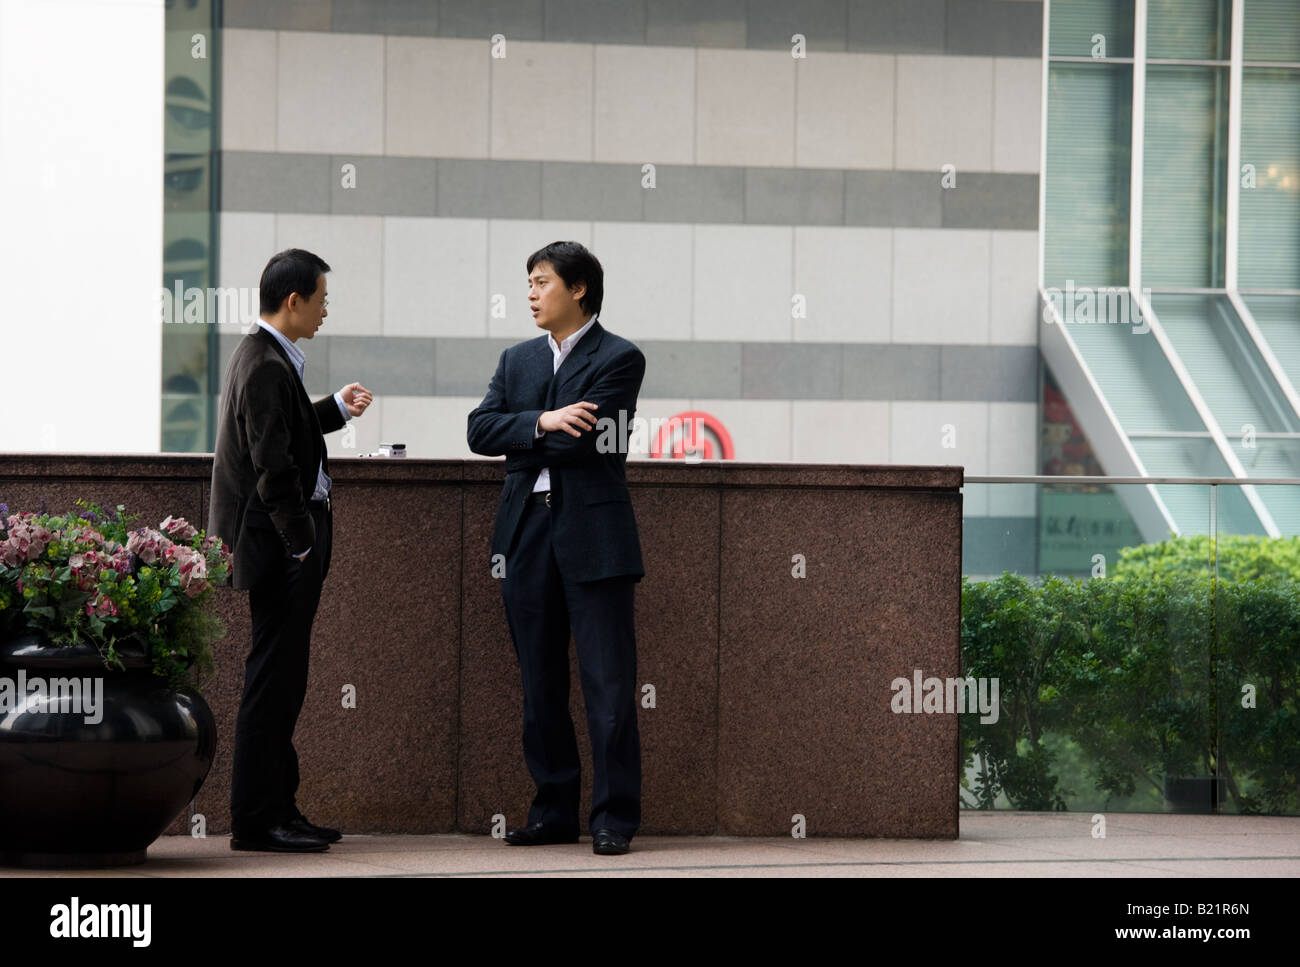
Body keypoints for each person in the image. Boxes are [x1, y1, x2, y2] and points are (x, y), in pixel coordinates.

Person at [467, 241, 646, 855]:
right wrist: (542, 422)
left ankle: (613, 818)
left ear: (579, 290)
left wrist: (519, 436)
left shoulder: (619, 357)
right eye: (528, 283)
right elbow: (477, 430)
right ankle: (552, 812)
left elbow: (591, 443)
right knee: (539, 684)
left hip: (594, 534)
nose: (531, 294)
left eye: (542, 282)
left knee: (608, 683)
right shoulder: (516, 358)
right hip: (524, 535)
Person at [209, 248, 373, 853]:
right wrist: (302, 544)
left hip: (280, 546)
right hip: (281, 549)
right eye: (323, 298)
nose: (327, 310)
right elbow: (271, 465)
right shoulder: (265, 362)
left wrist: (333, 409)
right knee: (273, 682)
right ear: (294, 299)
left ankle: (280, 808)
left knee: (284, 680)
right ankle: (257, 820)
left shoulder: (268, 357)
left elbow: (282, 427)